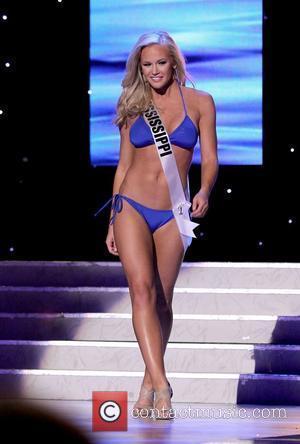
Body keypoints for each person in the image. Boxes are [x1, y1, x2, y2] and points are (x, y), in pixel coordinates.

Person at [95, 30, 218, 419]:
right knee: (141, 292)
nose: (153, 71)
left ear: (174, 63)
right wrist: (113, 219)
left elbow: (211, 158)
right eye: (146, 65)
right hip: (131, 205)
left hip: (174, 212)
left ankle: (149, 380)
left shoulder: (200, 103)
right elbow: (124, 165)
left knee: (162, 299)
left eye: (160, 63)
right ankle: (163, 384)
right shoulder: (132, 104)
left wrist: (206, 190)